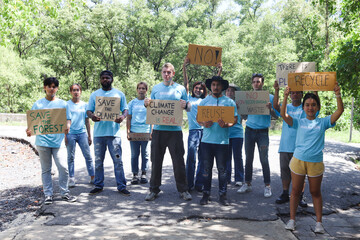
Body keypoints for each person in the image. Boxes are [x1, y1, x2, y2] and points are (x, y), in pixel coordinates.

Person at [282, 85, 343, 233]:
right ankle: (292, 220)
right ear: (303, 108)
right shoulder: (298, 121)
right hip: (298, 161)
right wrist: (285, 96)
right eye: (307, 105)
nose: (310, 108)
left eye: (313, 105)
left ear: (318, 107)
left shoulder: (323, 122)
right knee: (295, 191)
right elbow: (284, 115)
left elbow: (340, 111)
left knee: (315, 192)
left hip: (315, 163)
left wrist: (337, 95)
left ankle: (319, 223)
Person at [144, 62, 191, 201]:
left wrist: (186, 105)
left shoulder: (180, 89)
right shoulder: (156, 88)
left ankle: (183, 190)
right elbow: (151, 108)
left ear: (173, 74)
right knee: (156, 161)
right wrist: (146, 103)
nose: (166, 74)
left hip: (175, 131)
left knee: (178, 161)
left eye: (169, 72)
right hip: (159, 130)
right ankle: (153, 190)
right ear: (161, 74)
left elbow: (188, 107)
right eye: (164, 72)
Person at [26, 77, 77, 205]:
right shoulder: (38, 104)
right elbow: (32, 124)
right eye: (49, 86)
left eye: (54, 86)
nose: (51, 88)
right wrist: (29, 131)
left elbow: (68, 119)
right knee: (46, 170)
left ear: (57, 88)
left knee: (63, 168)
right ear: (45, 88)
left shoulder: (63, 104)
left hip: (58, 142)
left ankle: (65, 193)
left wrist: (68, 126)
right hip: (42, 142)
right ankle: (48, 195)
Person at [86, 70, 130, 196]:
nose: (105, 80)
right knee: (98, 161)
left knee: (118, 161)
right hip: (99, 134)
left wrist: (122, 117)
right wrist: (92, 116)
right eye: (103, 78)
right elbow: (89, 110)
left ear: (112, 79)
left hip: (114, 134)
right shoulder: (94, 95)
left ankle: (121, 186)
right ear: (100, 80)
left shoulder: (119, 94)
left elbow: (125, 109)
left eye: (107, 78)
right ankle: (98, 185)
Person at [197, 76, 238, 206]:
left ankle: (222, 194)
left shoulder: (229, 102)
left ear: (222, 87)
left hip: (222, 142)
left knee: (223, 170)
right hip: (207, 141)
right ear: (211, 86)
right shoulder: (204, 102)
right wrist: (204, 123)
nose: (215, 87)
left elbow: (235, 119)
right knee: (206, 169)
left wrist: (227, 124)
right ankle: (206, 194)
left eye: (218, 85)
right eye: (213, 84)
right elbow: (198, 119)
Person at [237, 73, 279, 197]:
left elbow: (276, 116)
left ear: (262, 83)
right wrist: (241, 110)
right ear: (252, 84)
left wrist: (270, 109)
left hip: (262, 132)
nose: (256, 83)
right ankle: (247, 184)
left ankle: (267, 186)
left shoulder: (270, 97)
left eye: (258, 81)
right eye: (254, 81)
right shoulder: (247, 97)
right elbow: (244, 117)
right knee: (248, 158)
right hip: (249, 130)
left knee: (264, 159)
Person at [183, 57, 219, 192]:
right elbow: (185, 83)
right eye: (196, 88)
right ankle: (188, 184)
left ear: (204, 90)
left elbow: (214, 86)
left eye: (201, 88)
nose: (198, 90)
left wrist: (219, 69)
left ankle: (199, 184)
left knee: (203, 160)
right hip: (193, 132)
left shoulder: (206, 100)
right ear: (193, 89)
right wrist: (184, 67)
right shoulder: (188, 99)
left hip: (205, 131)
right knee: (191, 158)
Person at [273, 81, 307, 207]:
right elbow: (276, 107)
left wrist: (315, 91)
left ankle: (300, 196)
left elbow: (317, 108)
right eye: (293, 93)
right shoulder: (286, 106)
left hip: (300, 146)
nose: (295, 95)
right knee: (285, 171)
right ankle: (285, 193)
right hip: (285, 146)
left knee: (301, 173)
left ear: (302, 94)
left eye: (298, 92)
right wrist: (277, 90)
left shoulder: (306, 107)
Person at [65, 84, 95, 188]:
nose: (76, 92)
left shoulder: (85, 105)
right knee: (71, 157)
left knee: (88, 156)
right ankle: (71, 178)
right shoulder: (66, 105)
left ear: (80, 92)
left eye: (77, 90)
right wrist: (65, 135)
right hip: (70, 134)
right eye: (73, 90)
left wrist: (89, 136)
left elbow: (87, 121)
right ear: (70, 92)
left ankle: (92, 177)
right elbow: (64, 121)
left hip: (82, 133)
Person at [127, 82, 151, 185]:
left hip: (145, 131)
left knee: (145, 154)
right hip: (134, 132)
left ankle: (144, 174)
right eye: (139, 88)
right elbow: (128, 118)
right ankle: (135, 175)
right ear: (137, 90)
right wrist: (128, 132)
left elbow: (152, 118)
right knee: (134, 154)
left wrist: (151, 132)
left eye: (143, 88)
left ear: (146, 90)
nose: (141, 90)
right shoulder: (132, 103)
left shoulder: (149, 102)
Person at [225, 83, 244, 187]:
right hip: (226, 133)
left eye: (232, 91)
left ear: (235, 93)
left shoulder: (240, 103)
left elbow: (245, 116)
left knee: (238, 156)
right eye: (228, 90)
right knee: (226, 157)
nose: (230, 92)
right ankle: (227, 178)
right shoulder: (222, 103)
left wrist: (239, 109)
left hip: (237, 133)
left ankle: (239, 178)